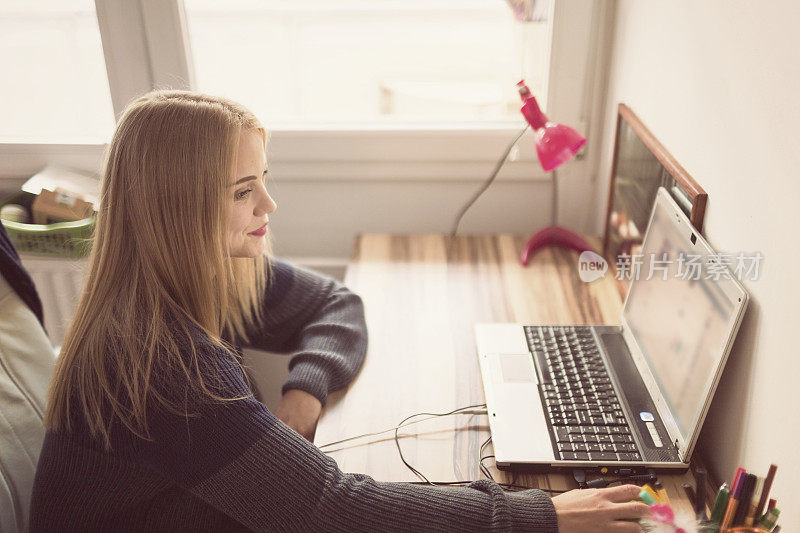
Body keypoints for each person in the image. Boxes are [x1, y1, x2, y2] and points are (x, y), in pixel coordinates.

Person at [28, 90, 649, 532]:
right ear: (178, 208)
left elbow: (336, 302)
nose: (268, 204)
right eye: (244, 191)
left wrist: (305, 389)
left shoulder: (200, 275)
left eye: (262, 179)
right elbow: (331, 510)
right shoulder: (162, 363)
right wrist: (540, 515)